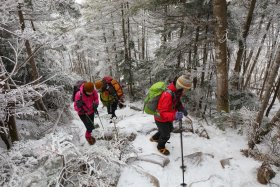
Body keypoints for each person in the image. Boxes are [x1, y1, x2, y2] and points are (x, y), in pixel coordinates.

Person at [150, 75, 192, 155]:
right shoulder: (167, 95)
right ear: (181, 86)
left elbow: (177, 102)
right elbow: (162, 112)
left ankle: (154, 138)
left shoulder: (176, 92)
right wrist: (175, 115)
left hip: (167, 118)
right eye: (186, 89)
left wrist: (181, 109)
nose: (186, 91)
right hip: (161, 118)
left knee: (169, 129)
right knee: (166, 135)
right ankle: (160, 147)